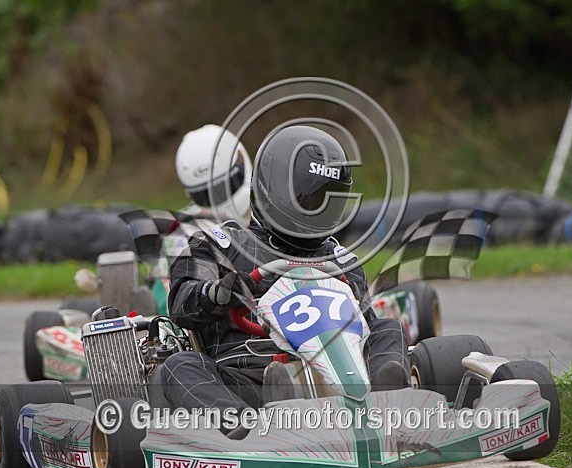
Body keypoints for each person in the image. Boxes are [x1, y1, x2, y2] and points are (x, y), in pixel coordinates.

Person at [160, 125, 410, 437]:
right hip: (249, 377)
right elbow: (181, 303)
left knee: (389, 329)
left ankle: (388, 403)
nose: (318, 210)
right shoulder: (221, 245)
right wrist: (218, 294)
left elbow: (366, 330)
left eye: (327, 201)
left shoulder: (342, 259)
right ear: (275, 190)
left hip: (335, 374)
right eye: (310, 200)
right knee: (177, 366)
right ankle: (241, 428)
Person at [148, 124, 253, 314]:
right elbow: (166, 310)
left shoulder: (274, 211)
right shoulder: (183, 235)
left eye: (222, 189)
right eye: (206, 194)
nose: (216, 202)